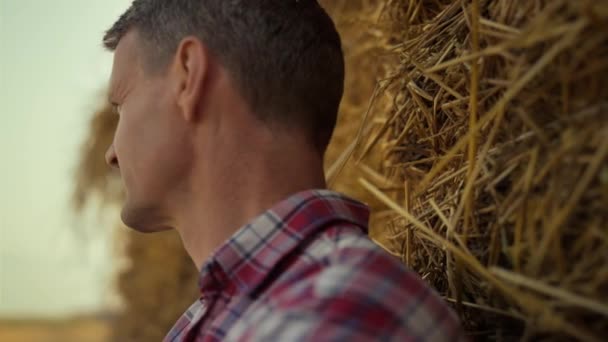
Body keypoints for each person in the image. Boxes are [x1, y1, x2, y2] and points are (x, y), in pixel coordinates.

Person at [102, 1, 465, 341]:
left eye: (121, 104)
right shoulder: (223, 317)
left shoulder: (335, 315)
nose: (110, 154)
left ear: (188, 75)